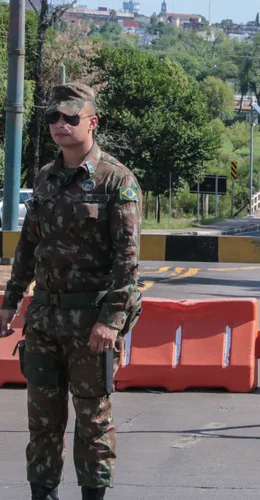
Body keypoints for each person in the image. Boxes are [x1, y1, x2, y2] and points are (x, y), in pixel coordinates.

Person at [0, 83, 143, 500]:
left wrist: (111, 322)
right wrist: (10, 303)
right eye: (53, 118)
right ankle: (42, 494)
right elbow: (28, 247)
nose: (60, 125)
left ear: (92, 122)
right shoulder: (45, 178)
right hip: (44, 320)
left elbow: (127, 261)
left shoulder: (116, 180)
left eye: (70, 118)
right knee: (42, 421)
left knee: (92, 420)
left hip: (90, 325)